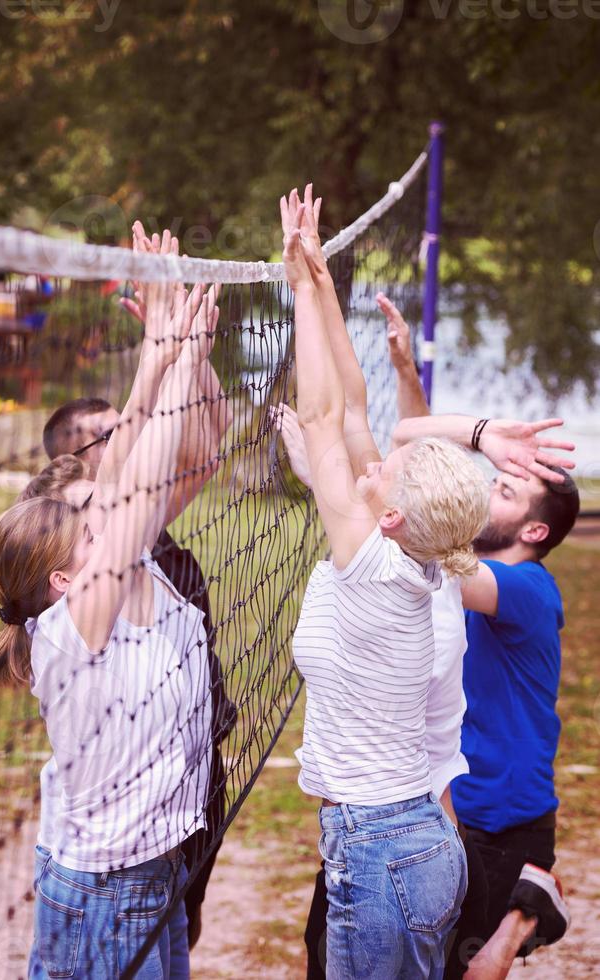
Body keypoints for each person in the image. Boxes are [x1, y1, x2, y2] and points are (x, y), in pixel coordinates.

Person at [276, 291, 576, 980]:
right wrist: (408, 383)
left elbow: (411, 487)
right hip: (437, 806)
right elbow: (422, 486)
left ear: (534, 532)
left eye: (503, 490)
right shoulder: (442, 567)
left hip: (493, 813)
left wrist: (340, 487)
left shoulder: (519, 589)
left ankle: (525, 912)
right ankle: (526, 909)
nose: (488, 489)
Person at [0, 263, 219, 979]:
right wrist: (174, 349)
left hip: (144, 871)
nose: (107, 519)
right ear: (65, 581)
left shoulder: (104, 585)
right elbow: (134, 489)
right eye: (92, 526)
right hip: (109, 889)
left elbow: (124, 469)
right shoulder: (76, 627)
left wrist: (164, 357)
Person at [281, 184, 492, 980]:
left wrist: (300, 289)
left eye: (391, 471)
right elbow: (356, 406)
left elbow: (322, 420)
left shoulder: (372, 568)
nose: (379, 462)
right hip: (414, 845)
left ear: (394, 518)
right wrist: (326, 285)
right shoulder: (425, 564)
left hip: (384, 854)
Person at [39, 225, 235, 950]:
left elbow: (202, 446)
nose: (131, 426)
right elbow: (136, 467)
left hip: (183, 780)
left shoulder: (141, 532)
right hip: (114, 847)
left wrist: (187, 355)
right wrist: (165, 356)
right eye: (110, 431)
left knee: (179, 931)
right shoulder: (89, 552)